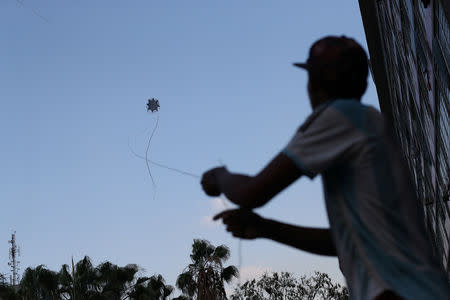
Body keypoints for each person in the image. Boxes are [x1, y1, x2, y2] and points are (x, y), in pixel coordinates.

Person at [201, 36, 450, 300]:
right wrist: (266, 228)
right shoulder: (367, 123)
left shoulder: (340, 116)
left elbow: (251, 193)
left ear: (315, 82)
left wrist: (220, 175)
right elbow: (346, 242)